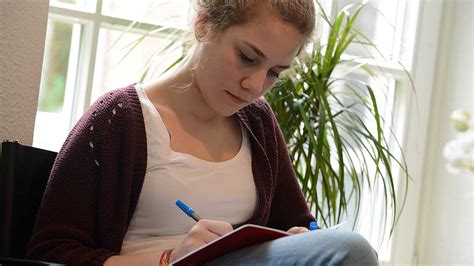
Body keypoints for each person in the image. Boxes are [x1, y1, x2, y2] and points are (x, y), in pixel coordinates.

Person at [27, 0, 379, 265]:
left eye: (275, 72)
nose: (255, 85)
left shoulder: (257, 123)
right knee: (353, 250)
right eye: (247, 57)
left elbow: (300, 223)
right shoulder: (117, 119)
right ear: (204, 24)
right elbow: (51, 251)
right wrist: (171, 257)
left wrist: (300, 238)